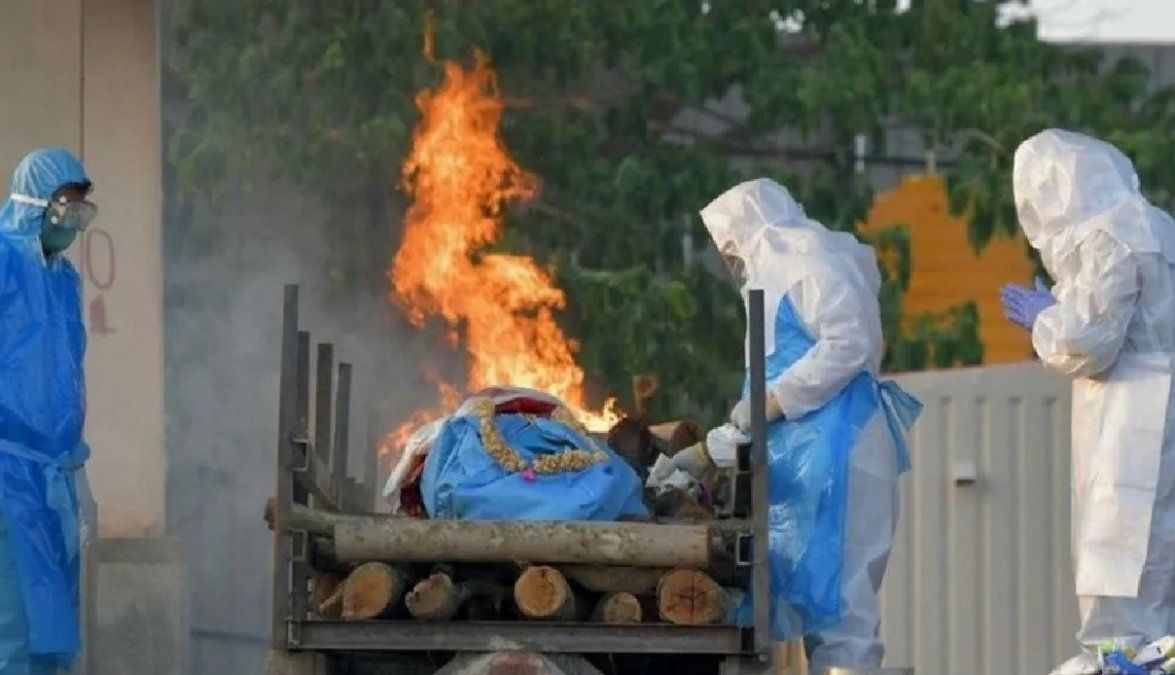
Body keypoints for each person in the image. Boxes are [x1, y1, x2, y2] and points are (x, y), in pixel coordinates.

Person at [696, 177, 922, 671]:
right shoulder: (778, 272)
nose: (734, 260)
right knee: (821, 606)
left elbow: (848, 343)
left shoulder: (805, 259)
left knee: (843, 609)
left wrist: (774, 402)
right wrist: (748, 422)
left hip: (842, 447)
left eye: (733, 247)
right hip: (815, 454)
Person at [1000, 129, 1175, 675]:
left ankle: (1125, 659)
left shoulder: (1107, 235)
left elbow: (1088, 342)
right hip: (1158, 403)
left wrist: (1043, 318)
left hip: (1133, 415)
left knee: (1119, 552)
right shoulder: (1160, 228)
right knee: (1158, 554)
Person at [0, 148, 96, 673]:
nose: (74, 219)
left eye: (82, 207)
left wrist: (76, 464)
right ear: (34, 202)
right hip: (6, 471)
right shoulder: (2, 263)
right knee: (12, 620)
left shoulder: (64, 281)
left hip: (55, 475)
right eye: (66, 205)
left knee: (55, 624)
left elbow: (67, 374)